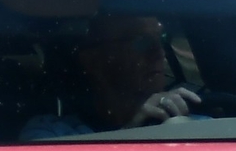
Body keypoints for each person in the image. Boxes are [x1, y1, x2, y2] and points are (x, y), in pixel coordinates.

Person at [22, 13, 201, 138]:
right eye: (141, 42)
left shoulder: (203, 125)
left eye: (161, 39)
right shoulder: (53, 134)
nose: (159, 52)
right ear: (93, 61)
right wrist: (133, 132)